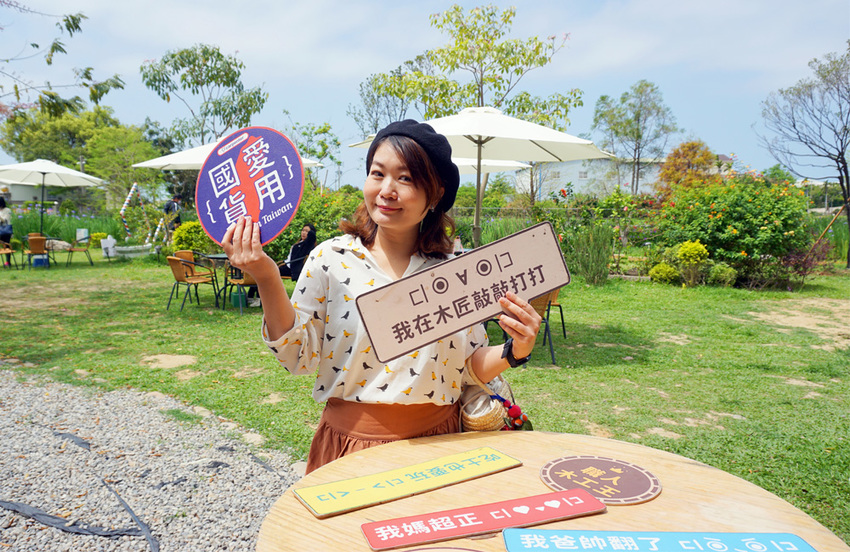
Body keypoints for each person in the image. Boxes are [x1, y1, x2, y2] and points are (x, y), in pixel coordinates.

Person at [222, 120, 541, 473]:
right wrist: (266, 276)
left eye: (406, 178)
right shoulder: (331, 260)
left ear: (435, 195)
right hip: (352, 446)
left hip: (441, 445)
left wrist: (516, 350)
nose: (387, 190)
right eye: (377, 174)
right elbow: (297, 356)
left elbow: (465, 366)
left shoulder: (453, 271)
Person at [247, 223, 317, 307]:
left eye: (306, 231)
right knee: (262, 271)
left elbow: (312, 237)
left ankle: (259, 299)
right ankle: (251, 296)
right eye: (303, 230)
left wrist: (311, 232)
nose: (303, 233)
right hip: (286, 265)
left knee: (265, 274)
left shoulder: (307, 244)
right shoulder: (298, 243)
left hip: (291, 268)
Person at [0, 198, 12, 267]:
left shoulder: (7, 210)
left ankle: (8, 262)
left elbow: (5, 220)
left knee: (7, 246)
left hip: (5, 230)